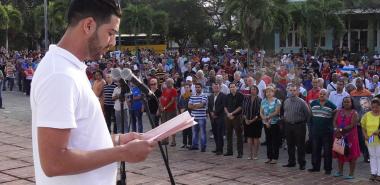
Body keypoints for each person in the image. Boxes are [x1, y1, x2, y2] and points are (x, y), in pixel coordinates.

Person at [31, 1, 155, 184]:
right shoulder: (60, 76)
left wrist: (118, 140)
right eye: (110, 33)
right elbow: (54, 162)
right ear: (88, 25)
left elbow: (82, 141)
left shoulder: (70, 69)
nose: (112, 42)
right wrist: (121, 153)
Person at [308, 89, 337, 174]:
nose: (322, 95)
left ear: (327, 96)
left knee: (327, 151)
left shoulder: (331, 105)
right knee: (315, 150)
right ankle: (315, 167)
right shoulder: (313, 103)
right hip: (315, 131)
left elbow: (335, 113)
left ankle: (328, 169)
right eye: (320, 93)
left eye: (324, 94)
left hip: (327, 132)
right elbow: (311, 115)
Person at [282, 84, 310, 170]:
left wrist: (302, 123)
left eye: (294, 90)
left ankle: (302, 163)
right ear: (288, 91)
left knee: (300, 145)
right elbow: (284, 112)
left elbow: (308, 114)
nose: (292, 92)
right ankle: (291, 162)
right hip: (288, 125)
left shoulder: (302, 102)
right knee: (290, 144)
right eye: (291, 90)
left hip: (299, 125)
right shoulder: (286, 101)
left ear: (297, 91)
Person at [332, 97, 360, 179]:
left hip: (350, 137)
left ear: (351, 103)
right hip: (339, 135)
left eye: (348, 102)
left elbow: (352, 125)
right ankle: (340, 172)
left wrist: (340, 129)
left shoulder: (354, 113)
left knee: (352, 155)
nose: (346, 103)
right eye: (345, 102)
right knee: (340, 154)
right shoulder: (339, 111)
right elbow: (334, 121)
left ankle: (351, 174)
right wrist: (336, 129)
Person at [260, 85, 282, 164]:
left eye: (270, 91)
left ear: (273, 92)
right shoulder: (263, 101)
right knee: (268, 140)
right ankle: (269, 157)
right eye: (267, 92)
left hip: (274, 123)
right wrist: (265, 120)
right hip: (266, 123)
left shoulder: (277, 101)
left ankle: (275, 158)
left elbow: (276, 112)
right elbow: (261, 112)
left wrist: (268, 117)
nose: (268, 93)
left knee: (275, 141)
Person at [361, 98, 380, 182]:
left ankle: (379, 174)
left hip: (379, 139)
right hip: (370, 139)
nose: (375, 109)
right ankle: (373, 173)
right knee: (372, 156)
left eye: (377, 107)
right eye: (373, 107)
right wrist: (365, 136)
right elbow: (363, 126)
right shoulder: (367, 115)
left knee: (379, 156)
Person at [224, 82, 244, 158]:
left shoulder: (240, 96)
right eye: (231, 87)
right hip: (228, 117)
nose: (232, 88)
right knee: (228, 134)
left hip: (237, 117)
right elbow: (225, 106)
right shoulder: (227, 96)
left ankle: (240, 153)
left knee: (239, 136)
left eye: (233, 87)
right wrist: (228, 114)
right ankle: (229, 151)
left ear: (236, 87)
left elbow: (241, 107)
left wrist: (232, 113)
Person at [242, 85, 262, 160]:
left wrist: (252, 120)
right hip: (247, 121)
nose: (252, 90)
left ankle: (255, 154)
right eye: (251, 89)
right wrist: (246, 119)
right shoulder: (246, 98)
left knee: (256, 138)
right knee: (249, 138)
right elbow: (243, 109)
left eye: (254, 89)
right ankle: (249, 154)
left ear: (257, 91)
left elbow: (259, 112)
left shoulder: (260, 99)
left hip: (257, 121)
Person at [188, 83, 208, 152]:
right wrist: (197, 105)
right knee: (195, 132)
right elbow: (189, 106)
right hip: (194, 117)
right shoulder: (192, 96)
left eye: (198, 87)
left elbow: (202, 105)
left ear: (201, 88)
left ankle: (203, 147)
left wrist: (194, 106)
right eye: (196, 87)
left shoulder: (204, 95)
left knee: (202, 132)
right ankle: (195, 145)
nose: (197, 88)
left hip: (202, 117)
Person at [208, 82, 226, 155]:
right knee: (215, 133)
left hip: (220, 117)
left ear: (220, 88)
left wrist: (215, 113)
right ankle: (217, 147)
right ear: (212, 88)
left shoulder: (223, 96)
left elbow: (223, 106)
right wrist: (211, 113)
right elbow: (209, 106)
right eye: (214, 87)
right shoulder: (210, 96)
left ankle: (220, 149)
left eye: (217, 87)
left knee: (219, 134)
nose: (216, 88)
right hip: (213, 118)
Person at [160, 78, 178, 146]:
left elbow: (173, 100)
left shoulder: (173, 90)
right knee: (164, 125)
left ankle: (173, 141)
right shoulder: (165, 90)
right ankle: (165, 139)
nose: (167, 83)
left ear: (172, 83)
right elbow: (162, 98)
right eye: (166, 82)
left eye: (168, 82)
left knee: (172, 126)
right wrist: (161, 107)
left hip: (171, 110)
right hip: (164, 111)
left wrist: (165, 107)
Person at [179, 83, 192, 148]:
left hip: (190, 114)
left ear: (190, 88)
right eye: (185, 87)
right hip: (183, 114)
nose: (186, 89)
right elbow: (180, 105)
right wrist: (181, 111)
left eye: (187, 87)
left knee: (189, 129)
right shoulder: (182, 96)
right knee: (184, 129)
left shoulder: (192, 96)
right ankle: (184, 143)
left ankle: (190, 143)